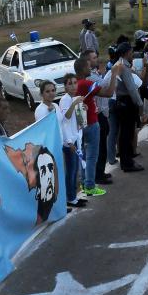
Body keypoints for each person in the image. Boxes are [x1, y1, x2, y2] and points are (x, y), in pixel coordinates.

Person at [74, 56, 119, 196]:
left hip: (80, 125)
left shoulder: (75, 84)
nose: (91, 68)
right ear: (82, 69)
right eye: (88, 66)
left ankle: (84, 183)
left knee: (84, 155)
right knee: (92, 156)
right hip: (92, 122)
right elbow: (109, 92)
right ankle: (90, 186)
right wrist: (114, 75)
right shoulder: (86, 83)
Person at [114, 42, 145, 172]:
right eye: (131, 52)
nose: (132, 54)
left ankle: (126, 161)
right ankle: (127, 163)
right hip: (127, 102)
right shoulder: (124, 68)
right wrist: (140, 104)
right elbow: (132, 89)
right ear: (126, 53)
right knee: (127, 134)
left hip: (122, 102)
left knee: (125, 134)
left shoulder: (121, 65)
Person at [58, 73, 88, 210]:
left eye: (75, 82)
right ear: (65, 86)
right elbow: (66, 118)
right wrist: (75, 103)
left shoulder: (74, 98)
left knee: (75, 170)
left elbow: (78, 120)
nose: (73, 86)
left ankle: (73, 197)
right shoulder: (65, 100)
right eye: (70, 83)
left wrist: (83, 110)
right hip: (68, 140)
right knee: (71, 170)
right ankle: (70, 198)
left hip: (76, 138)